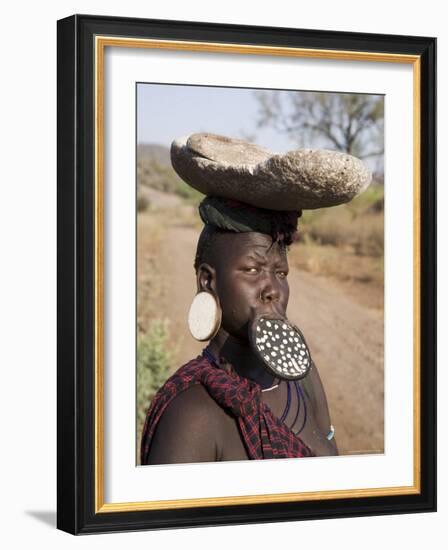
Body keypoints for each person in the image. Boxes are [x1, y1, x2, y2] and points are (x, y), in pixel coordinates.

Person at [140, 133, 371, 465]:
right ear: (208, 280)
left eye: (281, 272)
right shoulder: (191, 412)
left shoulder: (302, 377)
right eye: (252, 269)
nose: (272, 288)